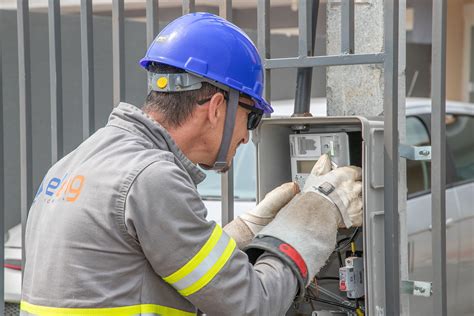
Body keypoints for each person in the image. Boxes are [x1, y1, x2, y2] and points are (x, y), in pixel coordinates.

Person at [20, 13, 363, 316]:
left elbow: (139, 269)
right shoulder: (151, 177)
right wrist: (309, 224)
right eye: (252, 117)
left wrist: (242, 232)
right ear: (217, 107)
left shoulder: (77, 162)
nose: (246, 137)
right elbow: (250, 305)